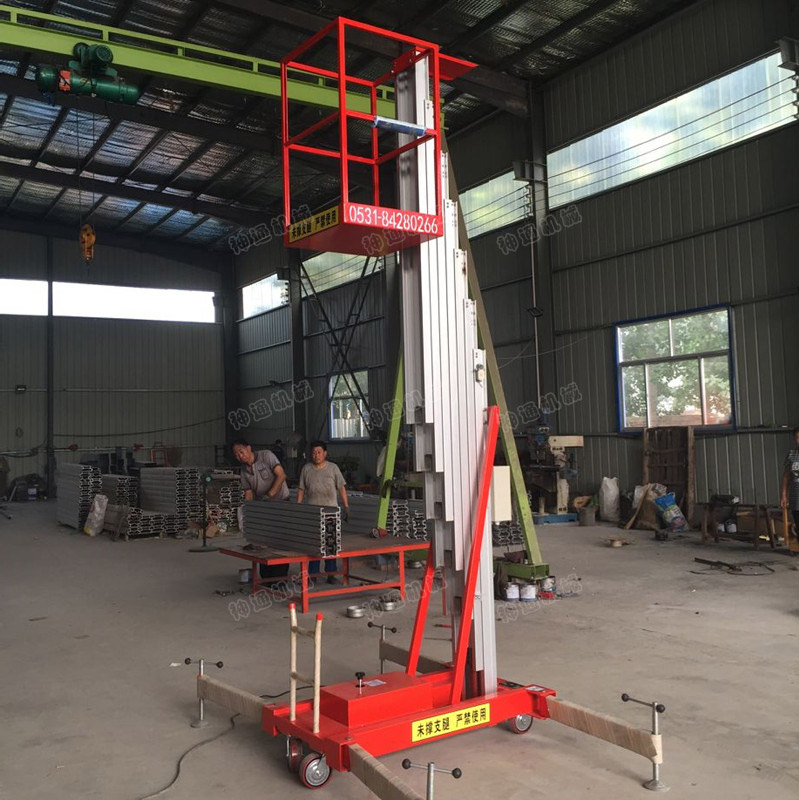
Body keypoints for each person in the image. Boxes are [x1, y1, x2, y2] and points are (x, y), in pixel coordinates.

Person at [233, 437, 290, 580]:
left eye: (241, 451)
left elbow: (281, 475)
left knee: (280, 542)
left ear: (249, 448)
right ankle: (266, 577)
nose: (240, 456)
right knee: (264, 542)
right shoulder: (244, 471)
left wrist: (269, 495)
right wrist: (248, 512)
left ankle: (280, 578)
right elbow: (248, 493)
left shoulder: (266, 456)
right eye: (236, 454)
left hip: (281, 504)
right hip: (263, 509)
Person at [297, 440, 349, 583]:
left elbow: (341, 488)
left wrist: (346, 506)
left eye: (319, 452)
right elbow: (301, 489)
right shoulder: (306, 469)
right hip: (312, 514)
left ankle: (331, 574)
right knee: (314, 546)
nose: (316, 455)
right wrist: (298, 508)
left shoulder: (333, 468)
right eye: (314, 453)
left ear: (325, 453)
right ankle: (313, 575)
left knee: (330, 545)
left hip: (330, 513)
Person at [780, 427, 799, 539]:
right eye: (797, 437)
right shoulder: (791, 455)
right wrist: (783, 496)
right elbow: (786, 476)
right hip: (795, 496)